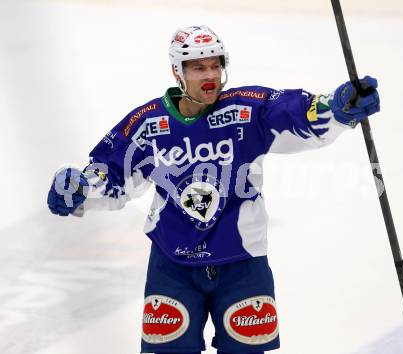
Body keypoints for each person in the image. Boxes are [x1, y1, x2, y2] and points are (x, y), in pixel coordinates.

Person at [47, 25, 380, 354]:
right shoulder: (148, 124)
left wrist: (336, 108)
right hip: (172, 264)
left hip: (243, 262)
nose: (210, 75)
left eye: (215, 65)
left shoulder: (247, 109)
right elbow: (112, 173)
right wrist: (79, 187)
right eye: (198, 67)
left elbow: (294, 112)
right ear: (177, 71)